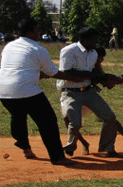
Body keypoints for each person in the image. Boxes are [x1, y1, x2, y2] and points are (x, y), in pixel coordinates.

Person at [0, 17, 84, 165]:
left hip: (4, 92)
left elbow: (18, 69)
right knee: (48, 122)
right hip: (27, 91)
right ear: (31, 32)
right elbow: (53, 72)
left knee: (18, 115)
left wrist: (36, 74)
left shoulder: (8, 46)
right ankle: (57, 157)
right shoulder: (37, 48)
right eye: (37, 29)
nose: (38, 32)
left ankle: (24, 146)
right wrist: (73, 78)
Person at [57, 27, 123, 157]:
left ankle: (107, 148)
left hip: (89, 91)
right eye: (94, 39)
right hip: (71, 91)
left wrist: (110, 79)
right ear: (85, 39)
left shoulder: (93, 53)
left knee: (110, 117)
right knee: (75, 122)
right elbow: (67, 72)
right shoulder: (69, 50)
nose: (96, 42)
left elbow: (94, 73)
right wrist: (95, 77)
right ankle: (71, 145)